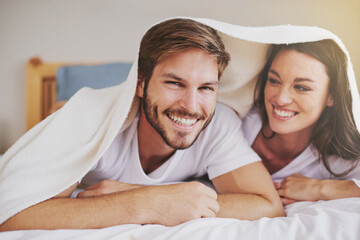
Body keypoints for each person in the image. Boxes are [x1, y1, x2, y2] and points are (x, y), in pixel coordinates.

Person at [0, 19, 283, 231]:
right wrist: (148, 204)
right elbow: (11, 217)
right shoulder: (91, 115)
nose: (191, 105)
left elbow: (267, 204)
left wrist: (148, 194)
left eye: (206, 88)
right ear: (141, 83)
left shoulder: (216, 122)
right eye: (174, 83)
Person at [242, 40, 360, 205]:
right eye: (274, 80)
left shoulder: (339, 156)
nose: (281, 98)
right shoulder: (239, 122)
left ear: (331, 97)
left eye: (301, 87)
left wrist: (318, 188)